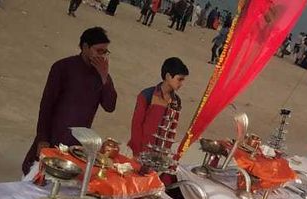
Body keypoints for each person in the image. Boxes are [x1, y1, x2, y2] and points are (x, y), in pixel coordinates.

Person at [22, 27, 116, 175]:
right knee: (36, 176)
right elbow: (47, 104)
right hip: (53, 136)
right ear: (85, 47)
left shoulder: (101, 75)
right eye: (99, 51)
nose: (103, 56)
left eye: (105, 52)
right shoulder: (63, 67)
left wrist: (105, 78)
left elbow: (110, 106)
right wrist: (42, 138)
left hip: (77, 144)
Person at [129, 57, 188, 157]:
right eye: (179, 79)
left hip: (159, 155)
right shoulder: (147, 95)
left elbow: (172, 129)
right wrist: (137, 152)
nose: (181, 84)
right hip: (142, 151)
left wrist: (165, 153)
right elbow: (136, 125)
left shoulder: (176, 101)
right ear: (168, 76)